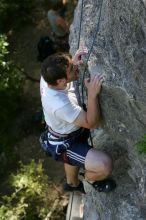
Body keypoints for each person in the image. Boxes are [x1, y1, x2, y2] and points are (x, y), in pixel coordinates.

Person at [39, 48, 116, 193]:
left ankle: (71, 184)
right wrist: (92, 95)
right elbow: (91, 123)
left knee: (71, 157)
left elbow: (60, 70)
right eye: (72, 69)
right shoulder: (59, 104)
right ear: (61, 81)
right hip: (67, 142)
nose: (76, 68)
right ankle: (90, 179)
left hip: (66, 131)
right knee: (105, 165)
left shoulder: (47, 76)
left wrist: (71, 62)